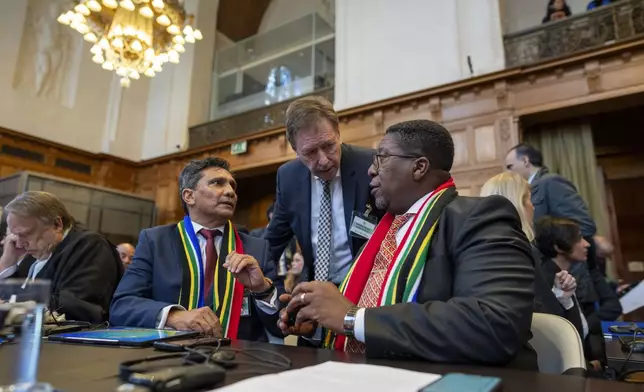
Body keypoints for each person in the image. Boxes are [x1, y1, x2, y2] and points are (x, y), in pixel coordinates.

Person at [278, 120, 537, 369]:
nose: (371, 169)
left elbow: (493, 325)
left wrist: (351, 318)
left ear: (419, 167)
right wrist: (322, 321)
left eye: (381, 158)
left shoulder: (481, 217)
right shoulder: (384, 232)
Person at [110, 158, 283, 341]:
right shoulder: (155, 241)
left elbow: (283, 324)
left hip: (242, 360)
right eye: (217, 183)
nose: (230, 192)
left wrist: (262, 289)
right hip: (169, 358)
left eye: (233, 186)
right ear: (189, 196)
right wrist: (173, 316)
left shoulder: (257, 247)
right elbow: (121, 306)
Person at [265, 96, 377, 286]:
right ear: (295, 149)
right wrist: (273, 289)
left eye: (328, 146)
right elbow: (272, 244)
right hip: (316, 288)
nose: (324, 160)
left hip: (366, 286)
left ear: (338, 134)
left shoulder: (370, 165)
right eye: (310, 152)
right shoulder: (288, 177)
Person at [0, 191, 123, 322]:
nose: (18, 243)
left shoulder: (89, 245)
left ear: (56, 225)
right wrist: (7, 263)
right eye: (15, 235)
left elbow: (75, 305)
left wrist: (12, 302)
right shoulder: (35, 251)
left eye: (25, 234)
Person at [480, 172, 580, 319]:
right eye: (529, 198)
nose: (533, 206)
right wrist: (561, 298)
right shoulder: (522, 249)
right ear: (517, 203)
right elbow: (548, 316)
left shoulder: (479, 249)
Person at [535, 216, 622, 374]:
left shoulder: (562, 275)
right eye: (579, 238)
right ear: (559, 247)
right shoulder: (549, 282)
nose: (587, 244)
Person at [504, 143, 606, 272]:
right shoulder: (528, 189)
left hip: (570, 271)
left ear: (525, 161)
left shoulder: (550, 182)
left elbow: (584, 224)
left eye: (510, 167)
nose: (507, 172)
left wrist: (560, 250)